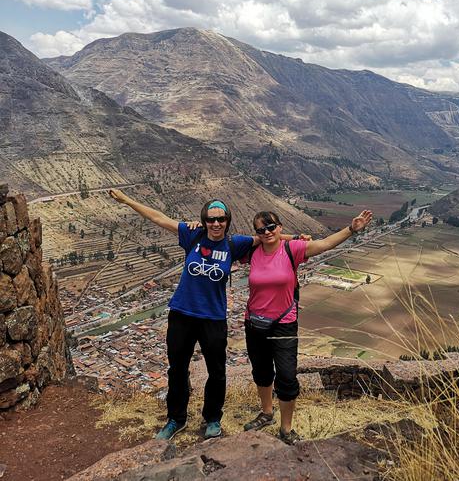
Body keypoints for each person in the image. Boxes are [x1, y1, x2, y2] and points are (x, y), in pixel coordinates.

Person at [109, 189, 299, 440]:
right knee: (177, 369)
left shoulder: (234, 243)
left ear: (228, 221)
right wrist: (126, 200)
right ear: (204, 220)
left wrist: (295, 236)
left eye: (221, 219)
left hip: (213, 317)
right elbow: (158, 218)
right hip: (182, 313)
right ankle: (176, 419)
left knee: (217, 371)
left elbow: (266, 237)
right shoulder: (192, 235)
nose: (216, 223)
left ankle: (212, 418)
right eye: (211, 219)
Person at [242, 209, 372, 444]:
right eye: (261, 229)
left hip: (284, 323)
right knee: (261, 372)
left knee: (287, 376)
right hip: (255, 323)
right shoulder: (252, 251)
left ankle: (286, 428)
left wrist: (351, 229)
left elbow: (325, 245)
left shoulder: (293, 250)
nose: (267, 232)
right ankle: (267, 413)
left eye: (271, 227)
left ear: (280, 227)